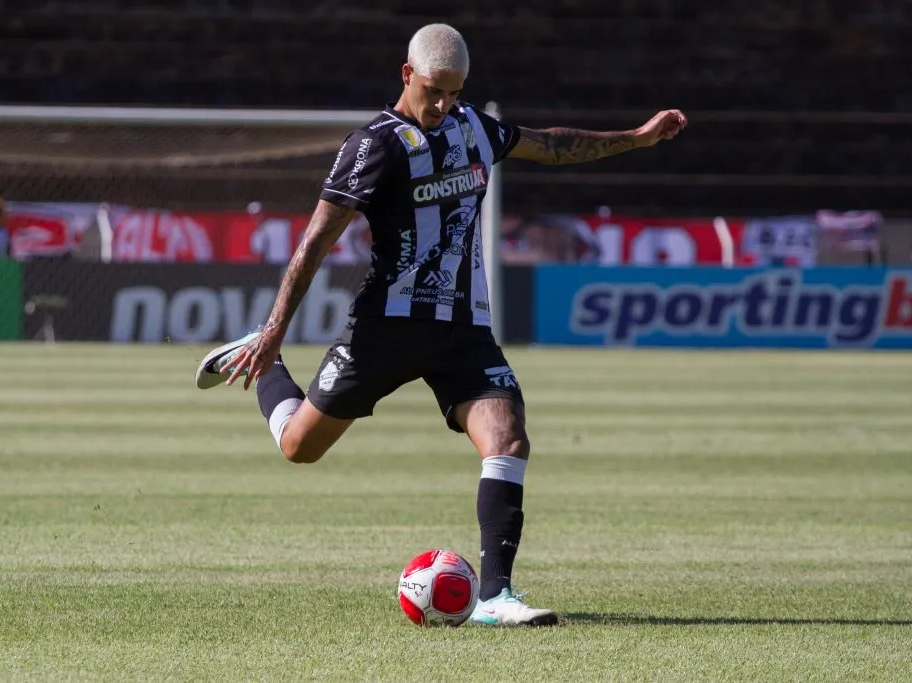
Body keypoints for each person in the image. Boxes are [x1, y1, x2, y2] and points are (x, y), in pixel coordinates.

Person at [195, 23, 686, 626]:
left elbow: (552, 144)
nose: (444, 104)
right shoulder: (373, 145)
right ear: (407, 75)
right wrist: (275, 328)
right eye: (434, 90)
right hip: (385, 328)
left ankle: (497, 596)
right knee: (299, 447)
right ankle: (261, 357)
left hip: (462, 329)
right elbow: (315, 241)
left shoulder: (473, 128)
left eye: (455, 93)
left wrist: (635, 139)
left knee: (508, 440)